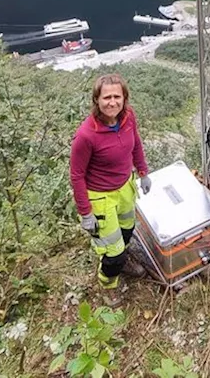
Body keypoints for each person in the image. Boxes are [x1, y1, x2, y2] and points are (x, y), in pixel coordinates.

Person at [70, 73, 152, 289]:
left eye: (117, 96)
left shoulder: (128, 118)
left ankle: (122, 261)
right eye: (106, 97)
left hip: (125, 187)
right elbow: (77, 175)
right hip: (101, 197)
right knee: (112, 250)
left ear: (125, 98)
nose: (112, 102)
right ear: (96, 100)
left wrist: (143, 172)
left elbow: (136, 145)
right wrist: (86, 212)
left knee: (127, 231)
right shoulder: (86, 135)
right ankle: (108, 283)